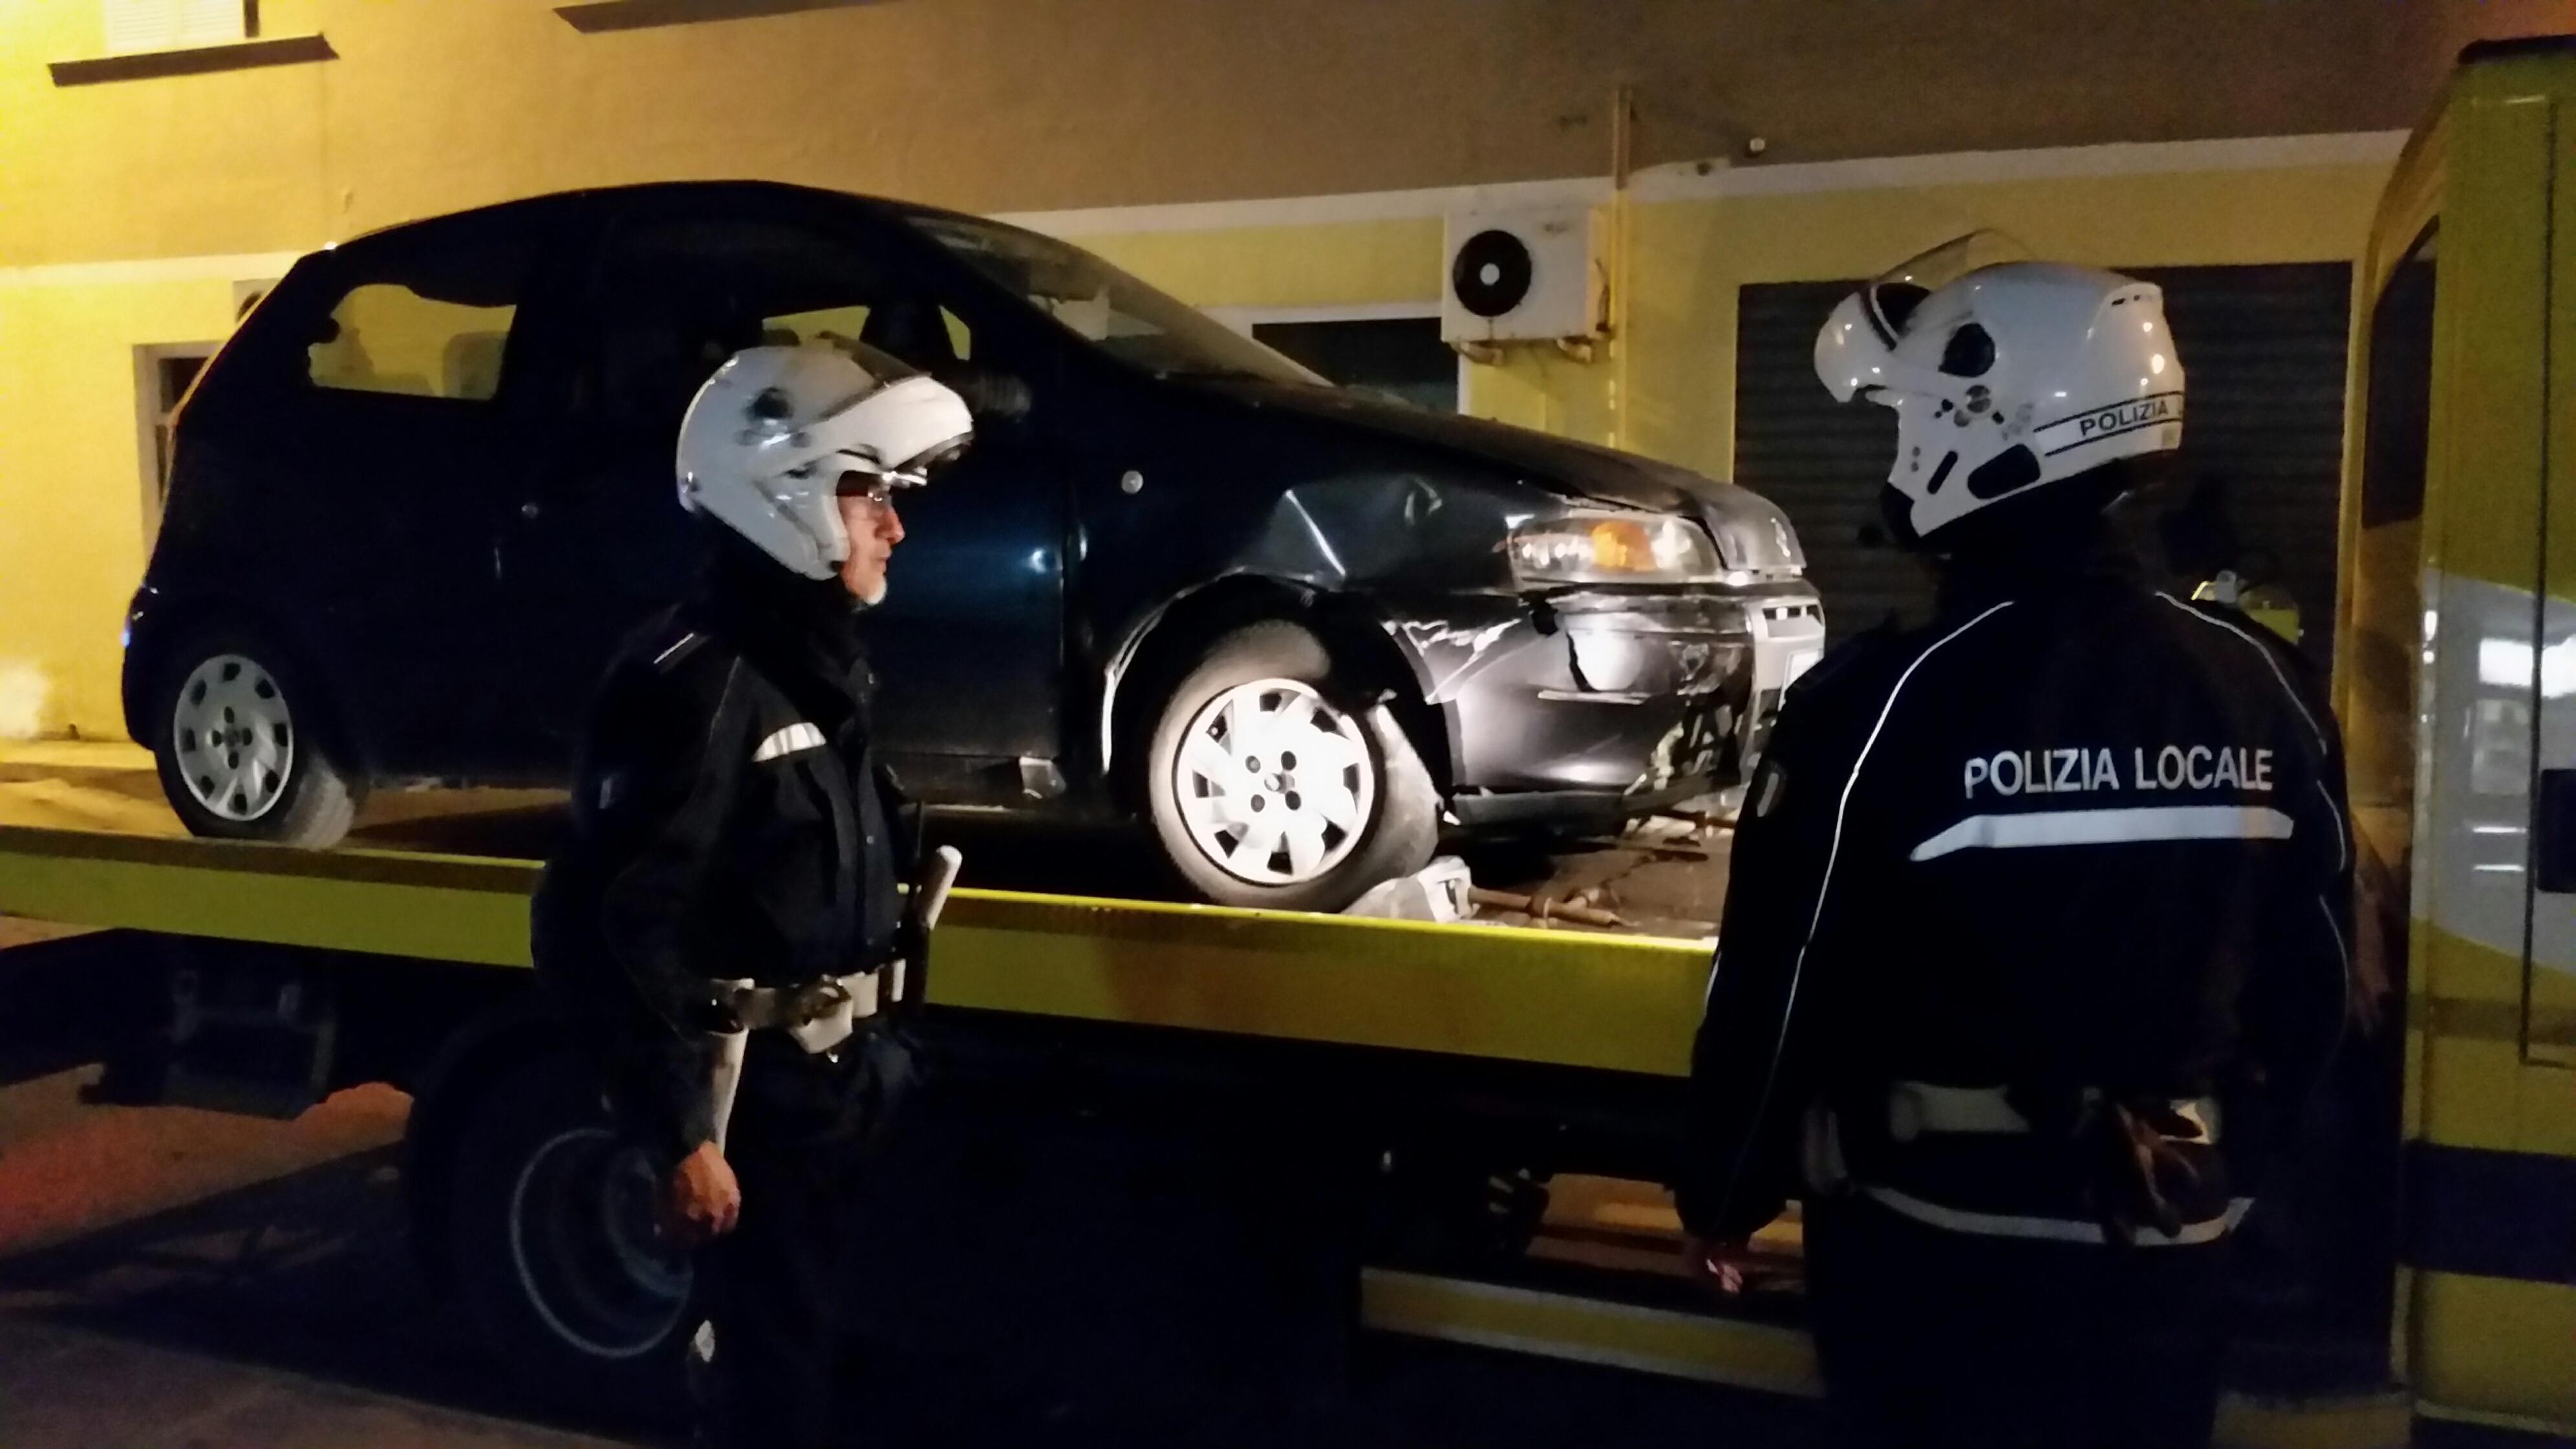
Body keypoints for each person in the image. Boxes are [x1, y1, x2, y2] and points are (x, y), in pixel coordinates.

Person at [1672, 235, 2356, 1449]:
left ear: (1981, 429)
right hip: (2168, 1244)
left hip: (1938, 1250)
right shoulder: (2262, 685)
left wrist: (1727, 1185)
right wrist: (2246, 1188)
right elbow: (2321, 980)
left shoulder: (1887, 700)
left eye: (1909, 422)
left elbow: (1780, 977)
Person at [533, 341, 974, 1448]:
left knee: (860, 1384)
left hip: (848, 1097)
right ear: (788, 494)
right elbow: (602, 924)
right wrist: (679, 1132)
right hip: (765, 1121)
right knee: (772, 1404)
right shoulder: (695, 682)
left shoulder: (816, 670)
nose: (895, 527)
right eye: (873, 493)